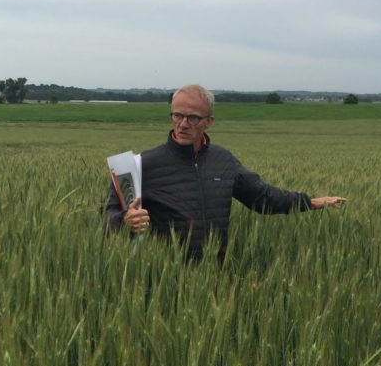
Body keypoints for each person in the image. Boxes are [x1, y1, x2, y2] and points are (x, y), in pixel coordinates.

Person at [105, 84, 346, 259]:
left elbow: (263, 197)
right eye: (177, 115)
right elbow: (107, 213)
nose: (182, 124)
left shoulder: (224, 161)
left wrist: (311, 202)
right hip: (162, 279)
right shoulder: (141, 164)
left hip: (215, 276)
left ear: (208, 121)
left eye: (192, 118)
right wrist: (124, 220)